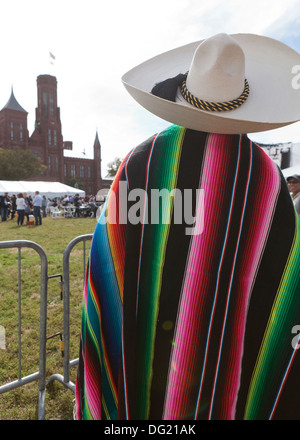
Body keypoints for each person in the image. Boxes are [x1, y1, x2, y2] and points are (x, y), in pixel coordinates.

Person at [75, 33, 300, 420]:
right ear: (242, 99)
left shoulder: (142, 162)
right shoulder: (264, 176)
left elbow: (110, 264)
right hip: (227, 361)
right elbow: (280, 285)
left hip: (142, 356)